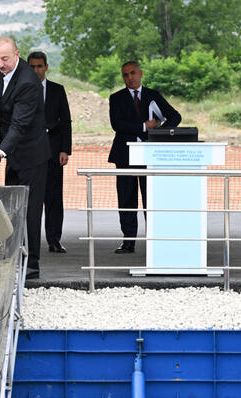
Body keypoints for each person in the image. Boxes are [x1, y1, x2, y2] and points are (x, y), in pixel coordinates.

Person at [0, 37, 51, 280]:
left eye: (5, 59)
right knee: (12, 206)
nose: (0, 64)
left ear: (17, 54)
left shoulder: (28, 82)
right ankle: (14, 256)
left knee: (29, 209)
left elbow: (19, 125)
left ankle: (31, 264)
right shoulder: (1, 71)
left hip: (32, 153)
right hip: (13, 151)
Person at [108, 60, 182, 253]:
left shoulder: (153, 95)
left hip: (151, 155)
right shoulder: (116, 98)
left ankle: (155, 240)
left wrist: (159, 133)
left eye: (133, 73)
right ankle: (128, 242)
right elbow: (117, 124)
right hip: (125, 155)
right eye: (125, 75)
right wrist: (143, 126)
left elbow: (175, 116)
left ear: (140, 73)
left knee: (152, 199)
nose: (130, 77)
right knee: (126, 199)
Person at [27, 51, 72, 254]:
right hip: (29, 153)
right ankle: (28, 241)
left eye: (39, 66)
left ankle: (54, 240)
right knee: (30, 199)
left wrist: (65, 149)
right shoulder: (21, 90)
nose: (36, 70)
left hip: (53, 152)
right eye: (32, 67)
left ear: (46, 67)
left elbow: (66, 121)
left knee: (54, 197)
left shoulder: (57, 90)